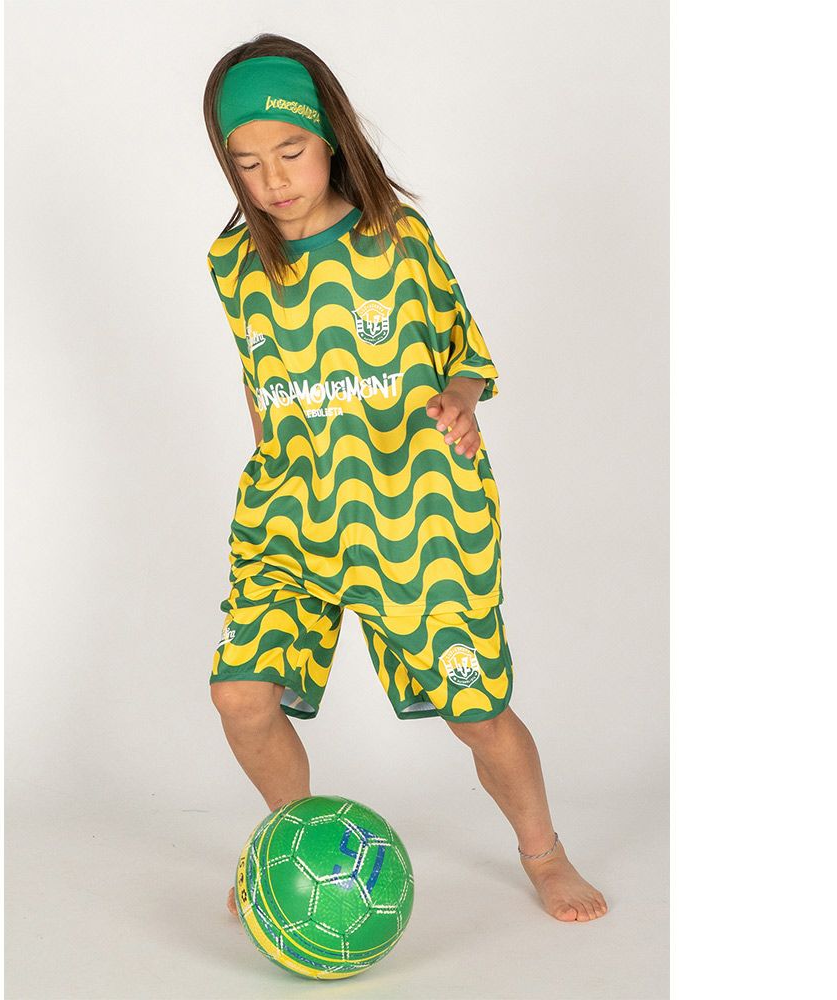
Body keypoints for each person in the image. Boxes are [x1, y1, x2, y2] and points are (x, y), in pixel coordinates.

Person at [202, 34, 608, 923]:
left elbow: (465, 350)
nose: (273, 179)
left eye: (291, 151)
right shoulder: (231, 265)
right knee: (240, 694)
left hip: (417, 508)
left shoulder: (396, 239)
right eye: (248, 164)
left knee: (477, 712)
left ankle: (545, 853)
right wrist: (275, 454)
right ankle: (295, 844)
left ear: (330, 138)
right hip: (292, 512)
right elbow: (258, 376)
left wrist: (461, 401)